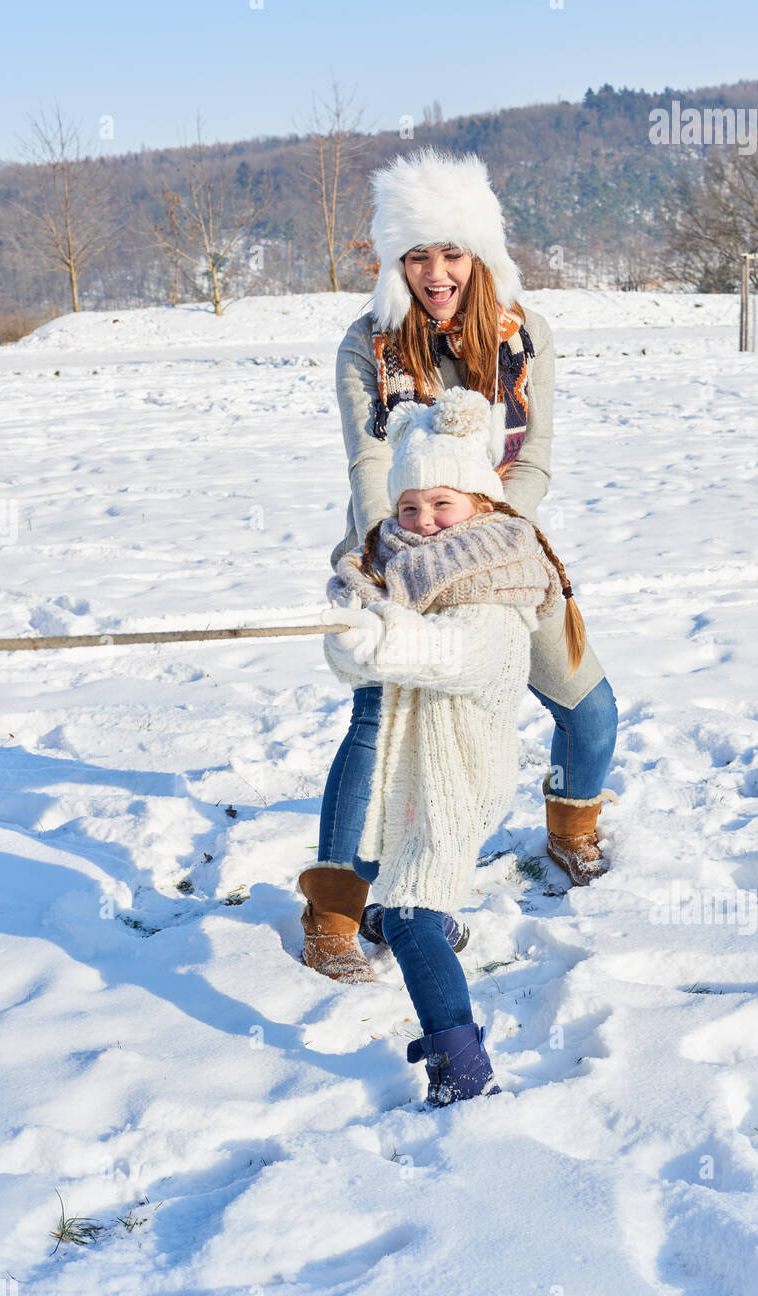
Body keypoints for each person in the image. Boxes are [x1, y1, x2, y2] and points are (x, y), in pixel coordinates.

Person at [298, 146, 618, 993]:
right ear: (395, 263)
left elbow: (535, 454)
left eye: (450, 252)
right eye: (415, 255)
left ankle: (570, 826)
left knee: (588, 707)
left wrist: (494, 534)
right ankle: (334, 909)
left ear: (479, 254)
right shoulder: (366, 347)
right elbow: (369, 468)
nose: (434, 272)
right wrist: (394, 554)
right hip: (398, 555)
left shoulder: (525, 334)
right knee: (376, 725)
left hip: (503, 556)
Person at [312, 385, 589, 1104]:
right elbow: (362, 659)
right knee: (376, 865)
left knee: (407, 911)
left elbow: (457, 655)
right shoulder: (390, 572)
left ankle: (461, 1067)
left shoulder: (497, 581)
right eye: (408, 507)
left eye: (442, 504)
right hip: (402, 771)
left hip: (453, 778)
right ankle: (420, 919)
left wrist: (387, 636)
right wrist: (358, 636)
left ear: (481, 505)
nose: (423, 521)